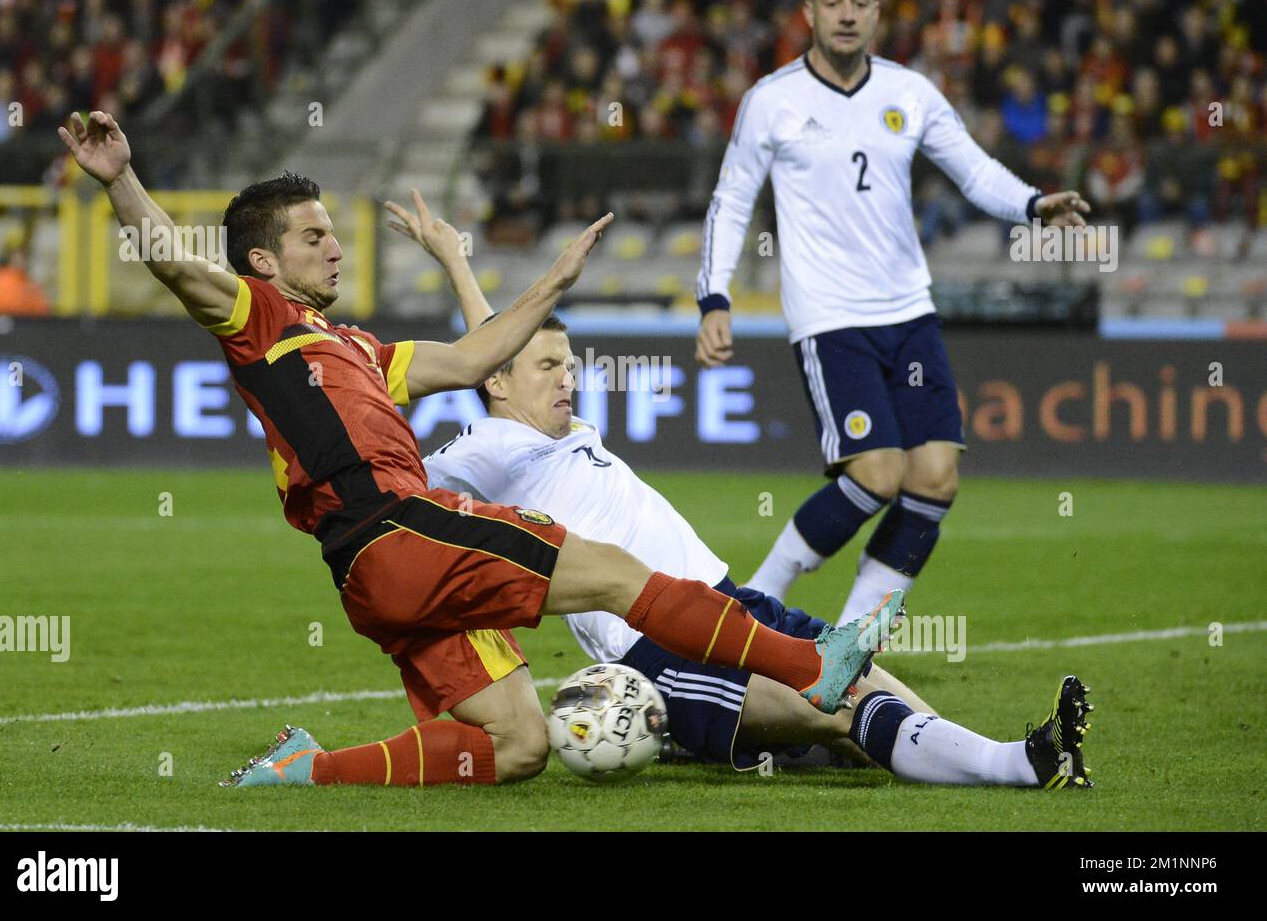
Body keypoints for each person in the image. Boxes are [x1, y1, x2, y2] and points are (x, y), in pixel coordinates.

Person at [57, 110, 900, 791]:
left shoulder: (356, 346)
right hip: (396, 528)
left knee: (519, 744)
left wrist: (555, 283)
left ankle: (306, 769)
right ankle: (809, 665)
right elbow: (172, 261)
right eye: (314, 236)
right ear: (263, 260)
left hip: (374, 574)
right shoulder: (257, 320)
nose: (336, 246)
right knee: (611, 571)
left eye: (331, 233)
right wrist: (122, 179)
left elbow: (470, 360)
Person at [415, 242, 1094, 789]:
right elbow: (418, 458)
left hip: (733, 605)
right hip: (659, 647)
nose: (568, 377)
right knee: (836, 705)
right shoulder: (483, 449)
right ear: (496, 381)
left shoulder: (562, 429)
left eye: (568, 363)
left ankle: (1004, 759)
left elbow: (494, 344)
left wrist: (455, 261)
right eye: (548, 366)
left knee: (862, 692)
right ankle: (1028, 763)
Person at [694, 0, 1092, 623]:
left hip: (908, 311)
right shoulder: (773, 100)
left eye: (861, 2)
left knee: (935, 477)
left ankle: (851, 644)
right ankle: (752, 603)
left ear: (877, 14)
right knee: (875, 473)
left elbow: (971, 168)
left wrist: (1031, 205)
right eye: (834, 2)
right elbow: (730, 202)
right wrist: (715, 298)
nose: (847, 13)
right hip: (831, 318)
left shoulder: (909, 93)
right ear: (810, 15)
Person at [0, 245, 51, 317]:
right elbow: (4, 305)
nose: (22, 262)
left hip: (28, 323)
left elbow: (42, 308)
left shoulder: (30, 283)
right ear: (10, 261)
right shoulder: (2, 279)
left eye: (24, 259)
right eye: (18, 259)